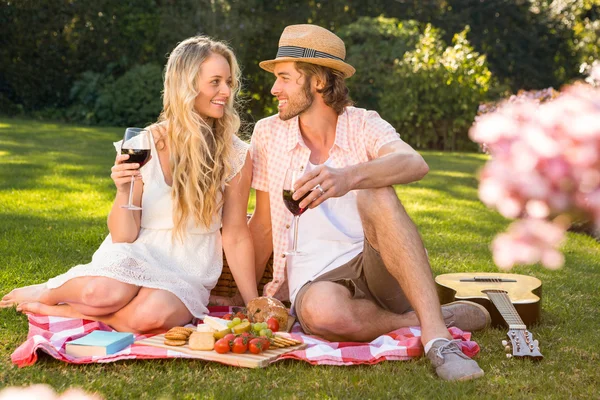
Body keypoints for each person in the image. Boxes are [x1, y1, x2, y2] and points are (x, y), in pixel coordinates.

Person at [248, 24, 491, 381]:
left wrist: (348, 178)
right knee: (321, 314)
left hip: (378, 265)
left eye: (284, 78)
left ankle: (438, 341)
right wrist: (245, 297)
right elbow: (263, 225)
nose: (274, 88)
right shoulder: (268, 133)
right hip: (316, 281)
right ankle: (434, 319)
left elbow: (414, 163)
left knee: (377, 190)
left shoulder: (363, 124)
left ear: (317, 81)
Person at [0, 36, 258, 333]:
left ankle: (64, 312)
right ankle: (50, 291)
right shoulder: (143, 143)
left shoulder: (236, 154)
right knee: (101, 294)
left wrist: (252, 302)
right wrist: (124, 190)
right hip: (139, 250)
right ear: (186, 86)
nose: (226, 91)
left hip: (189, 265)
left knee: (149, 318)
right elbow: (124, 235)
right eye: (215, 82)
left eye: (229, 81)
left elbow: (236, 233)